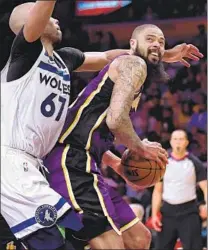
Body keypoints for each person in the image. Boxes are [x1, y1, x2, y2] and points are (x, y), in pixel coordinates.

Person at [0, 1, 203, 248]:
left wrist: (164, 55)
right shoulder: (26, 52)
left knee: (136, 239)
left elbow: (107, 57)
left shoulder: (64, 59)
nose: (56, 19)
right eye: (49, 17)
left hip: (41, 159)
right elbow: (115, 120)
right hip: (20, 158)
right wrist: (140, 148)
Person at [151, 129, 207, 250]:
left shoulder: (195, 163)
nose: (178, 142)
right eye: (175, 139)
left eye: (181, 139)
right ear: (170, 142)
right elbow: (158, 190)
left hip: (189, 212)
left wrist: (207, 206)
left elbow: (205, 188)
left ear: (186, 142)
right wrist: (154, 214)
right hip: (167, 212)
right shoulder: (163, 163)